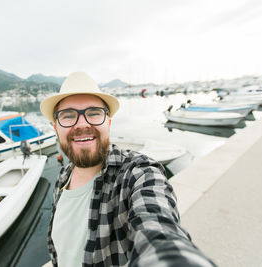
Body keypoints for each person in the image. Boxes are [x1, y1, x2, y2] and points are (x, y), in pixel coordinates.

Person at [40, 72, 215, 267]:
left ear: (109, 122)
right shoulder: (62, 178)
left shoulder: (138, 174)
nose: (82, 124)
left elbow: (158, 230)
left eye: (94, 113)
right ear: (56, 128)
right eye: (68, 116)